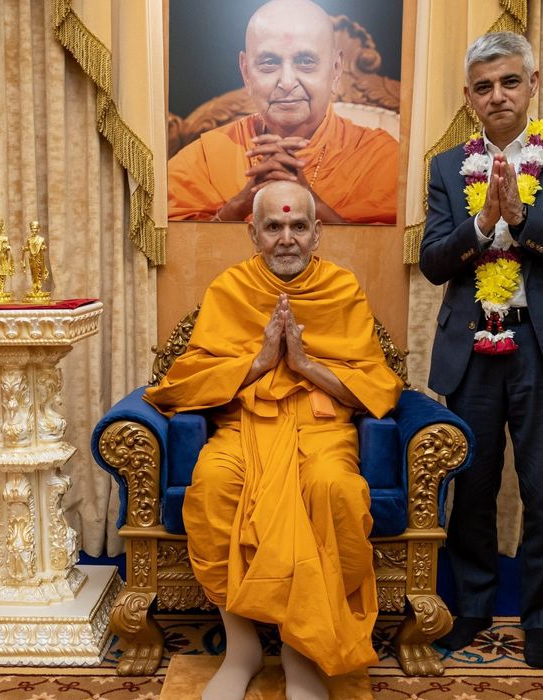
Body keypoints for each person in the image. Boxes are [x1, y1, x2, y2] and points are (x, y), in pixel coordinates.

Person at [145, 180, 402, 699]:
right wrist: (262, 361)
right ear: (253, 233)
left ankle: (301, 650)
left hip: (321, 427)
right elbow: (186, 380)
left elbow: (377, 385)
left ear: (317, 233)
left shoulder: (342, 289)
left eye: (298, 226)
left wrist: (304, 364)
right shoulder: (230, 289)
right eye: (274, 226)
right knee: (214, 485)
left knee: (334, 490)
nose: (287, 237)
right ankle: (241, 651)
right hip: (244, 426)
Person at [418, 32, 543, 669]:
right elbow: (433, 264)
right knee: (470, 487)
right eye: (482, 85)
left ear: (533, 85)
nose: (497, 95)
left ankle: (542, 618)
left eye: (509, 82)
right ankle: (471, 608)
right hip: (472, 348)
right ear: (468, 98)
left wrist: (523, 218)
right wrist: (480, 224)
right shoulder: (446, 168)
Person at [167, 0, 398, 224]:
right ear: (246, 72)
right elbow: (174, 251)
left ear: (336, 69)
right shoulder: (207, 158)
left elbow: (383, 258)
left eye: (305, 61)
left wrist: (311, 204)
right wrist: (238, 206)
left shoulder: (378, 158)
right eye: (269, 62)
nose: (287, 82)